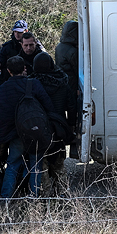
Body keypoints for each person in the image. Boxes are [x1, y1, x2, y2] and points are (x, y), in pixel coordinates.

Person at [0, 55, 55, 198]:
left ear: (8, 71)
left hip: (15, 135)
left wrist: (0, 138)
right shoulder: (34, 84)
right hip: (34, 132)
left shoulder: (0, 91)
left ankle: (6, 197)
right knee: (35, 164)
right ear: (25, 69)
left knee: (13, 164)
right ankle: (33, 197)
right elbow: (48, 105)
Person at [30, 51, 76, 193]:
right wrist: (70, 125)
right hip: (59, 127)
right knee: (59, 162)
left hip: (39, 128)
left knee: (41, 162)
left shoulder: (32, 83)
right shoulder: (62, 81)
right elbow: (72, 106)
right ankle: (62, 193)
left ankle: (46, 196)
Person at [55, 20, 79, 96]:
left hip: (63, 81)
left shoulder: (59, 46)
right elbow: (78, 69)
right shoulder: (72, 51)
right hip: (72, 83)